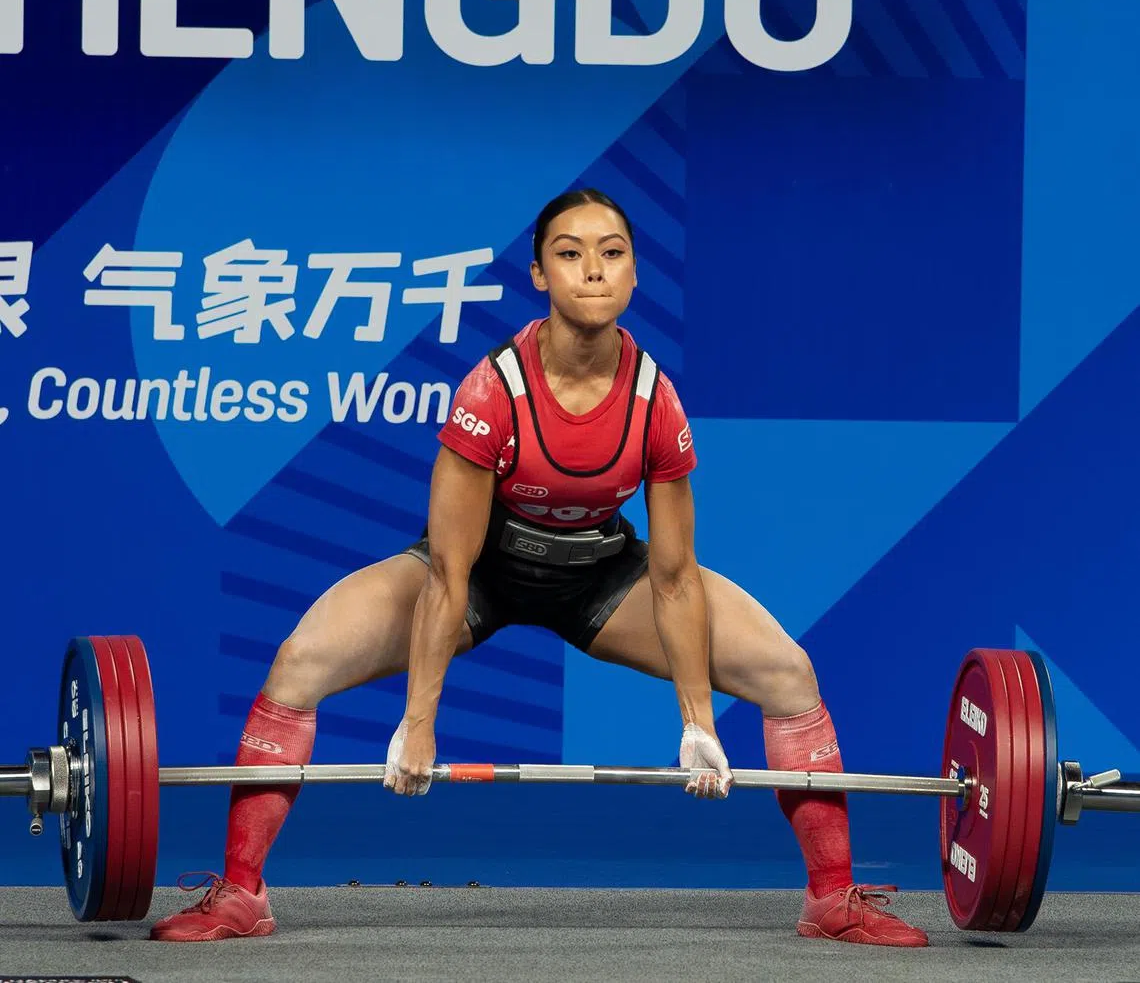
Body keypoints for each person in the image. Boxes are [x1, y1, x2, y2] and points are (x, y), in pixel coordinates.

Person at [150, 188, 928, 947]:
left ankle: (831, 898)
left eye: (611, 253)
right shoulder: (494, 393)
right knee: (300, 661)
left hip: (598, 577)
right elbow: (449, 572)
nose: (592, 270)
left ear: (632, 275)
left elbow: (674, 576)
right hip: (481, 573)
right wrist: (417, 725)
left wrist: (696, 724)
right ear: (539, 274)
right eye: (570, 253)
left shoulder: (656, 401)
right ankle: (243, 891)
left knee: (787, 674)